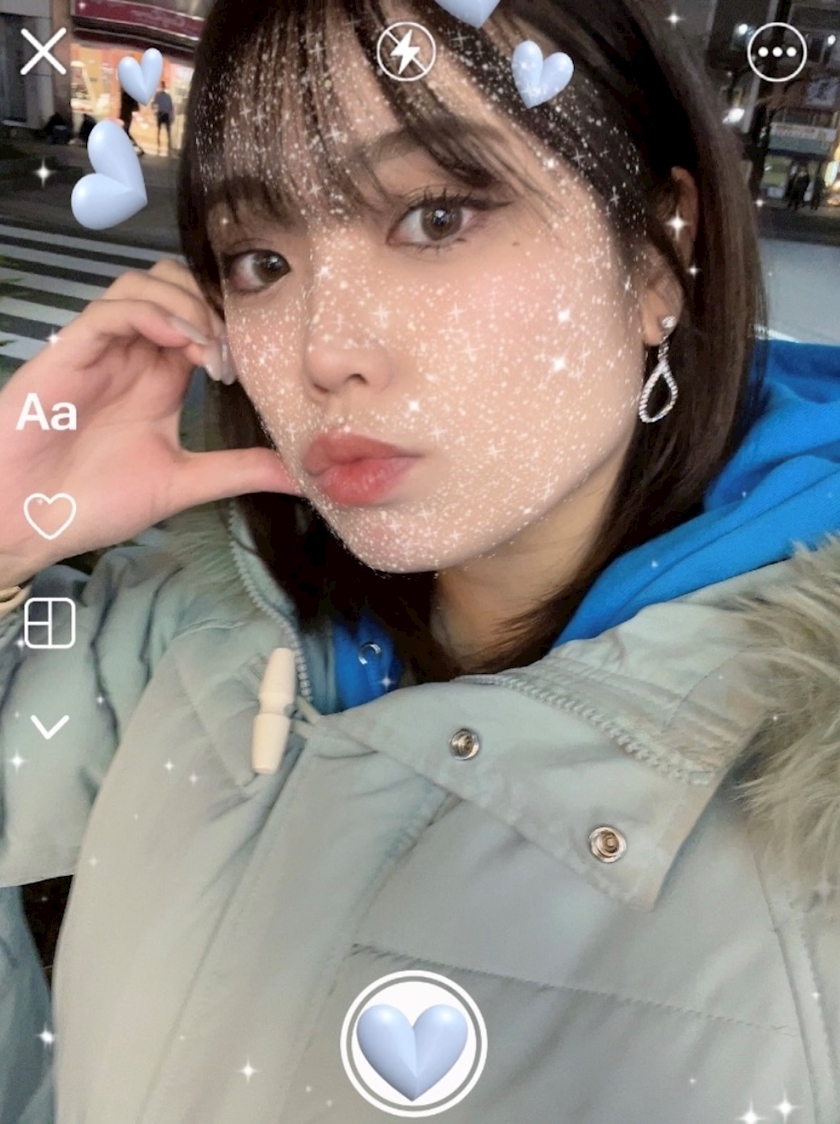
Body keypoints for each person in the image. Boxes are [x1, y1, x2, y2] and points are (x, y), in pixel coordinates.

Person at [2, 0, 840, 1120]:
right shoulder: (200, 617)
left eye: (437, 217)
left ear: (655, 255)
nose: (322, 351)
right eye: (261, 260)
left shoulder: (804, 831)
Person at [119, 87, 144, 157]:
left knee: (125, 133)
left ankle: (137, 148)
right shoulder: (127, 95)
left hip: (126, 117)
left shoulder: (127, 95)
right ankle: (134, 149)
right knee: (125, 133)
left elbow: (130, 107)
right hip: (126, 116)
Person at [152, 79, 174, 155]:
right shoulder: (168, 96)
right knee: (167, 131)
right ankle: (169, 146)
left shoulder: (158, 95)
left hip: (160, 114)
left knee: (159, 130)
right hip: (166, 114)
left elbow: (153, 104)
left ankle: (159, 145)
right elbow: (171, 107)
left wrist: (154, 112)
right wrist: (171, 115)